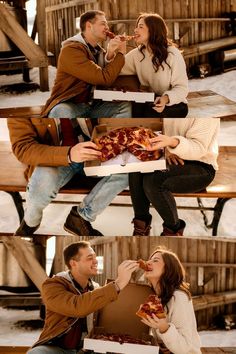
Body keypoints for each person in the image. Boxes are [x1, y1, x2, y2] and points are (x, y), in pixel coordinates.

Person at [7, 118, 129, 236]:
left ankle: (80, 218)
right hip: (54, 156)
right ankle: (30, 222)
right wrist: (69, 154)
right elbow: (22, 148)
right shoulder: (23, 110)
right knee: (43, 183)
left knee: (129, 170)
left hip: (93, 152)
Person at [27, 241, 139, 353]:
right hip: (58, 348)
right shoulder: (52, 286)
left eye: (95, 257)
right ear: (73, 263)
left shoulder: (96, 289)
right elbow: (77, 306)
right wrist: (118, 283)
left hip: (89, 349)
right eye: (90, 258)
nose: (96, 261)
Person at [129, 118, 220, 236]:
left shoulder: (208, 112)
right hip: (170, 154)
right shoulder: (165, 101)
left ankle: (172, 231)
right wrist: (166, 150)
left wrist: (172, 143)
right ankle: (141, 227)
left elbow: (199, 148)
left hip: (201, 165)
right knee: (136, 168)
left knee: (153, 181)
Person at [41, 9, 132, 120]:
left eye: (107, 24)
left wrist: (110, 52)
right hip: (71, 105)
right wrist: (121, 53)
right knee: (61, 111)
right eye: (103, 24)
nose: (107, 27)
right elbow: (103, 78)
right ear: (89, 26)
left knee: (124, 107)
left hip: (92, 105)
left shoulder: (97, 50)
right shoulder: (71, 50)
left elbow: (104, 72)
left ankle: (111, 136)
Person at [120, 13, 189, 118]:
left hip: (174, 104)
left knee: (149, 112)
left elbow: (182, 88)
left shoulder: (172, 54)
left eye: (140, 27)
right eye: (136, 26)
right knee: (134, 109)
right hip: (149, 100)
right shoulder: (137, 54)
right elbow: (116, 69)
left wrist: (165, 99)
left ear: (152, 30)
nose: (135, 30)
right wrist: (113, 51)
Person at [140, 246, 202, 354]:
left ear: (168, 268)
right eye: (149, 259)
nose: (148, 262)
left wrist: (164, 327)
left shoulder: (179, 297)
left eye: (155, 260)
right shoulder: (154, 297)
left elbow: (185, 348)